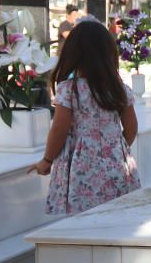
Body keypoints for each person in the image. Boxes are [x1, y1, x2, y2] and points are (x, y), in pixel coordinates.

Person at [28, 17, 140, 215]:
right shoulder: (119, 89)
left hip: (81, 167)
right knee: (114, 216)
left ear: (72, 54)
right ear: (109, 54)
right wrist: (113, 148)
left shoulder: (69, 90)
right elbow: (131, 128)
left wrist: (47, 160)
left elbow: (59, 129)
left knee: (83, 221)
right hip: (116, 163)